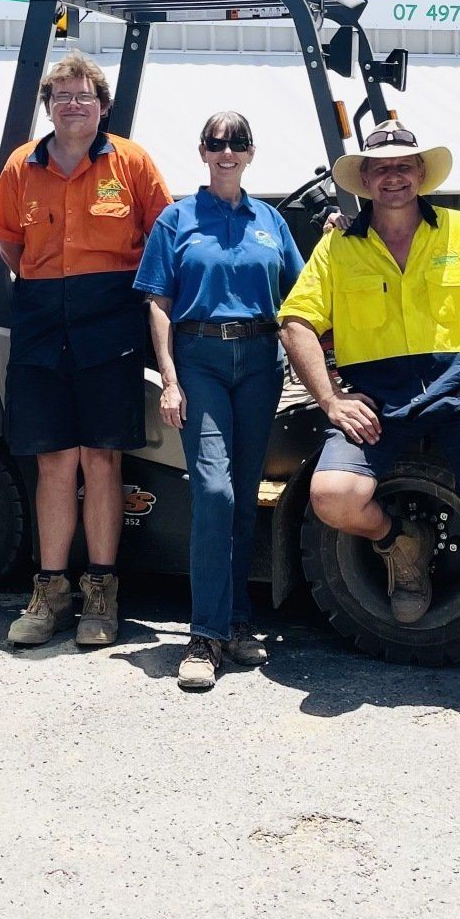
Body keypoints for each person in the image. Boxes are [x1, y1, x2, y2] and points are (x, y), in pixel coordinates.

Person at [279, 123, 460, 760]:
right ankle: (398, 542)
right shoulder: (339, 250)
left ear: (420, 173)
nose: (393, 176)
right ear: (365, 180)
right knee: (332, 496)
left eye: (404, 165)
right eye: (380, 168)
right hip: (378, 400)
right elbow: (296, 319)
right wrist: (330, 398)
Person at [0, 51, 173, 649]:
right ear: (48, 106)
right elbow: (9, 246)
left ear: (102, 105)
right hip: (40, 318)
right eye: (61, 96)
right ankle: (50, 591)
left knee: (102, 458)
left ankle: (102, 593)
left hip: (110, 317)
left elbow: (163, 237)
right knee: (53, 461)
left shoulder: (132, 162)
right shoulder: (20, 166)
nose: (71, 105)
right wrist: (49, 284)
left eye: (82, 95)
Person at [136, 112, 305, 691]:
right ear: (202, 152)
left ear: (251, 153)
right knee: (213, 490)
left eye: (237, 143)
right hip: (200, 360)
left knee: (242, 497)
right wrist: (171, 379)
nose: (226, 152)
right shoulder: (176, 219)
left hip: (260, 363)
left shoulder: (270, 221)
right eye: (216, 143)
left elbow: (300, 295)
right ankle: (203, 635)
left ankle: (236, 622)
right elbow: (158, 302)